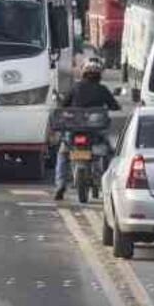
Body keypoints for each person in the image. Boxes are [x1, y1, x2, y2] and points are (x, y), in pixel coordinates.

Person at [54, 58, 120, 201]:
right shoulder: (102, 89)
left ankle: (60, 184)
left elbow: (63, 105)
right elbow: (115, 106)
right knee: (109, 152)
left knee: (63, 153)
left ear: (84, 73)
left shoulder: (75, 88)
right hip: (95, 132)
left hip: (74, 130)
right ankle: (108, 183)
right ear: (99, 75)